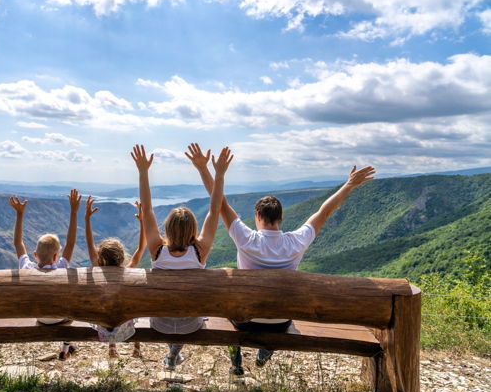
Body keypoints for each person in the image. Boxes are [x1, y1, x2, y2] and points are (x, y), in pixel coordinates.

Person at [185, 142, 376, 376]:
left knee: (228, 308)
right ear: (281, 217)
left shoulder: (246, 238)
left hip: (245, 319)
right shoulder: (296, 242)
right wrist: (349, 185)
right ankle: (266, 350)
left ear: (257, 216)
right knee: (271, 311)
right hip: (281, 321)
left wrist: (205, 169)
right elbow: (324, 211)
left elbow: (219, 203)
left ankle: (236, 364)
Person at [131, 143, 233, 370]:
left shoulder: (157, 250)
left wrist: (143, 171)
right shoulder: (199, 251)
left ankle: (172, 354)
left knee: (172, 316)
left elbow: (146, 210)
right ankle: (173, 354)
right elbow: (215, 210)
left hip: (160, 323)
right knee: (188, 317)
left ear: (166, 228)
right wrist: (218, 174)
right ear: (193, 229)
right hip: (191, 325)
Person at [9, 189, 82, 360]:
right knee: (70, 308)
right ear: (56, 256)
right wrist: (74, 211)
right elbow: (71, 243)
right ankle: (66, 346)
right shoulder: (62, 266)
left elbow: (18, 243)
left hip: (41, 317)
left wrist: (19, 214)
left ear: (35, 254)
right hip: (60, 318)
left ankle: (67, 347)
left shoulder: (26, 267)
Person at [84, 195, 145, 358]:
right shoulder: (128, 270)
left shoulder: (97, 269)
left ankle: (112, 348)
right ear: (121, 257)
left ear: (100, 257)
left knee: (107, 308)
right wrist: (142, 222)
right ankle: (137, 346)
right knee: (131, 308)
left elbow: (90, 244)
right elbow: (140, 250)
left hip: (104, 330)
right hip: (126, 330)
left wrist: (87, 218)